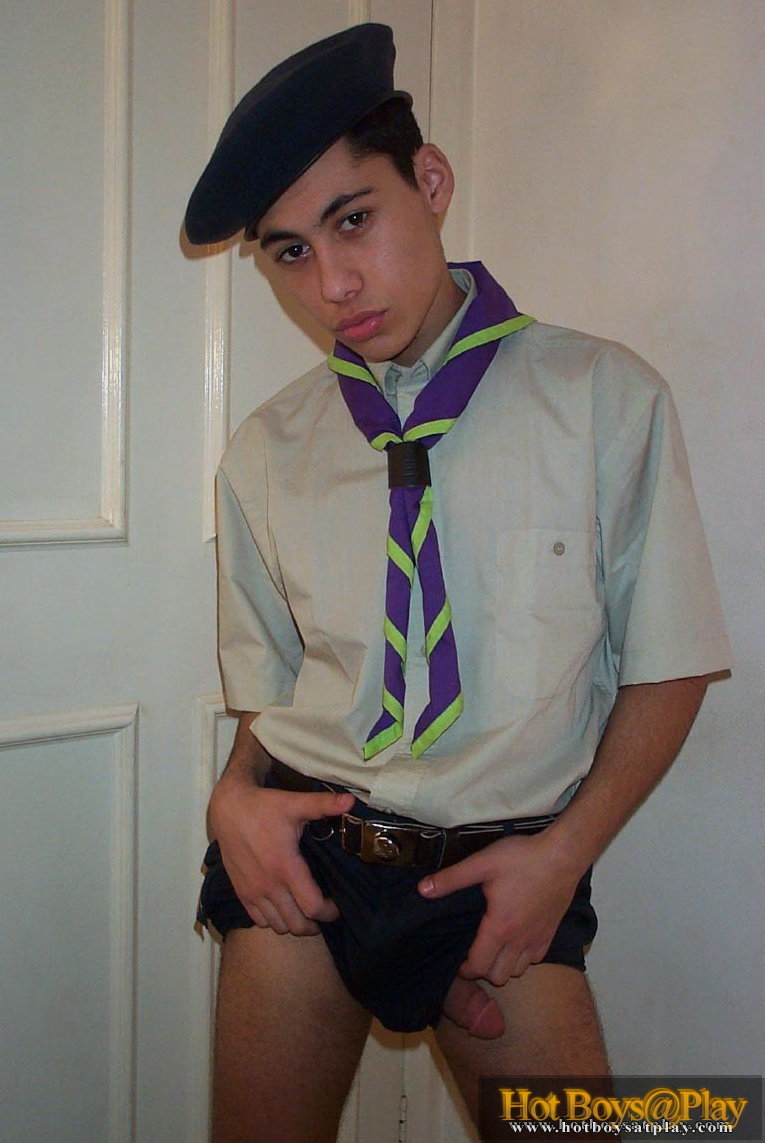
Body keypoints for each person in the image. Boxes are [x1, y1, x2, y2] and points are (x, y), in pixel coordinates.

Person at [184, 23, 732, 1143]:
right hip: (306, 861)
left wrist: (564, 856)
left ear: (429, 183)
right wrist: (233, 799)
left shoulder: (603, 399)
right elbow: (272, 689)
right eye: (289, 253)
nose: (332, 284)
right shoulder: (265, 451)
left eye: (353, 219)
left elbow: (670, 663)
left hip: (503, 872)